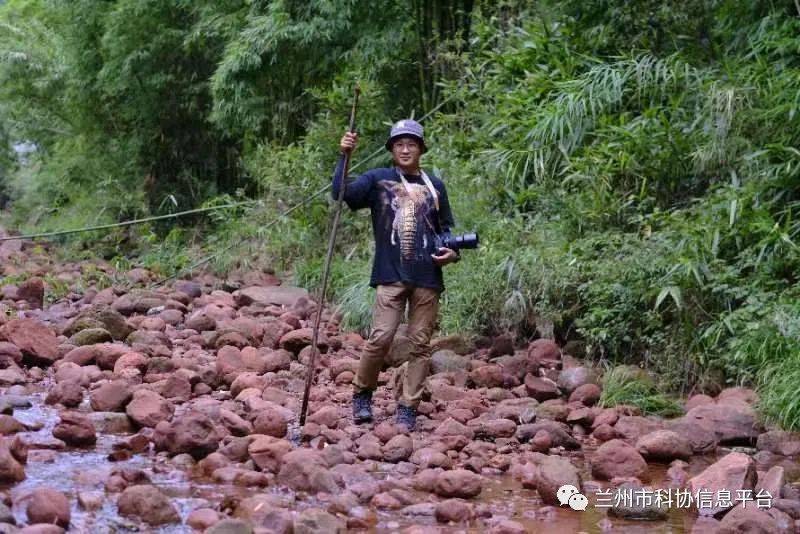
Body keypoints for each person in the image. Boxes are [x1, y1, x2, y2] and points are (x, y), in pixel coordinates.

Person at [332, 119, 460, 430]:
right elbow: (342, 193)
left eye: (411, 144)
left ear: (420, 149)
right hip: (390, 274)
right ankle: (362, 394)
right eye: (399, 144)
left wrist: (453, 254)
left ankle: (408, 408)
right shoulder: (378, 179)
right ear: (391, 149)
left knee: (419, 344)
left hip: (428, 277)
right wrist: (344, 156)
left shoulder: (435, 186)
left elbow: (446, 231)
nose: (405, 149)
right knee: (381, 338)